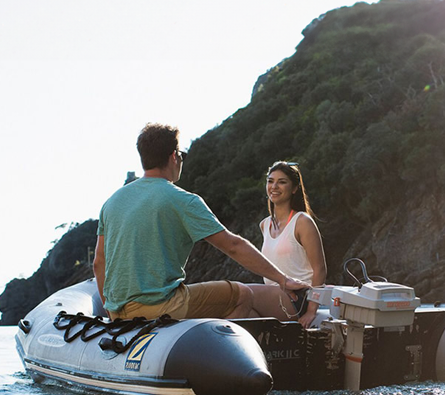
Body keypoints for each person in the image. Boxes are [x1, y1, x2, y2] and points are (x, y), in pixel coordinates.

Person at [93, 123, 310, 321]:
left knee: (248, 312)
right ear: (173, 156)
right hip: (159, 307)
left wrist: (111, 313)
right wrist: (282, 279)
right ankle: (221, 359)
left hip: (116, 312)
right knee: (242, 295)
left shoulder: (112, 202)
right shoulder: (182, 199)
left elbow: (99, 263)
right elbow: (232, 246)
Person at [249, 161, 327, 328]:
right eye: (270, 181)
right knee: (238, 313)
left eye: (282, 182)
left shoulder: (302, 222)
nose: (274, 186)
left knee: (242, 293)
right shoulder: (265, 225)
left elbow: (320, 269)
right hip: (273, 298)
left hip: (299, 298)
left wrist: (312, 310)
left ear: (294, 189)